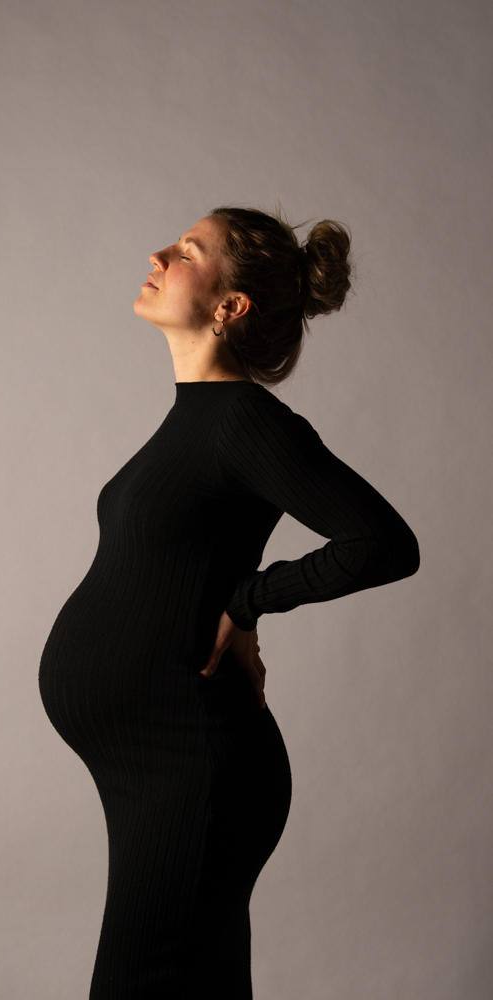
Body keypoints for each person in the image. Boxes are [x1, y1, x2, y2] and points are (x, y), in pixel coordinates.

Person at [38, 206, 420, 999]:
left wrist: (249, 601)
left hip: (195, 772)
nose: (157, 253)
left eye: (185, 251)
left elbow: (383, 542)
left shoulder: (244, 420)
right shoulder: (195, 418)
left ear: (229, 306)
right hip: (153, 770)